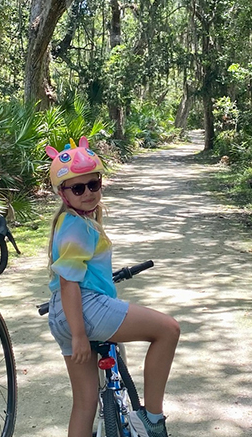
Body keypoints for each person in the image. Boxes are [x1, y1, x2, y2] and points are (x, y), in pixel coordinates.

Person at [44, 137, 180, 437]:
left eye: (94, 184)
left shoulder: (70, 221)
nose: (88, 193)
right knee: (168, 330)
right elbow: (68, 282)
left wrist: (76, 332)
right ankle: (152, 420)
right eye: (78, 188)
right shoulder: (78, 226)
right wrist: (80, 334)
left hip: (60, 314)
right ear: (62, 193)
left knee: (85, 403)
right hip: (86, 309)